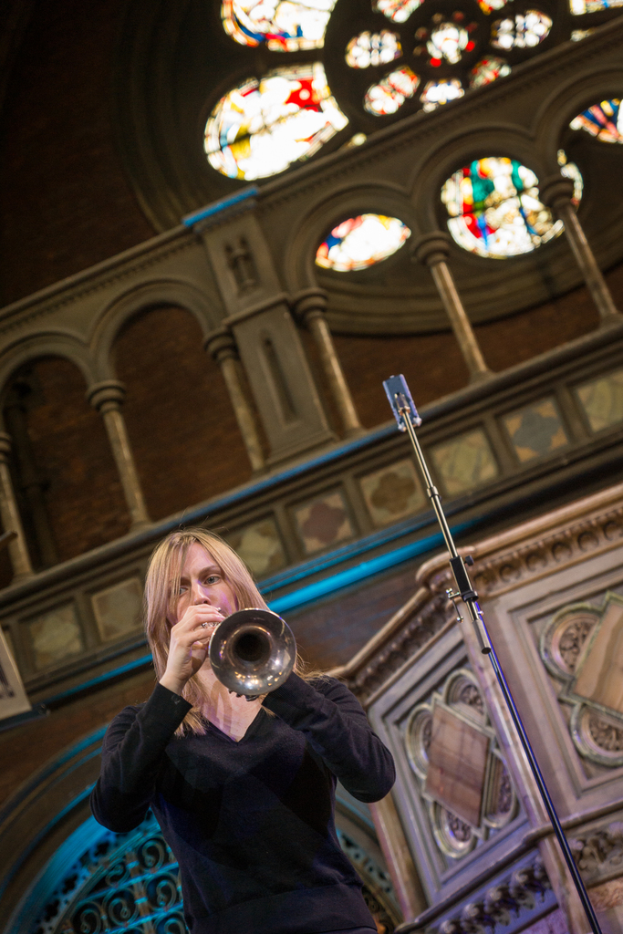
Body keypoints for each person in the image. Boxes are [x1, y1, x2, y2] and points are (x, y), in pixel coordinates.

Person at [91, 528, 396, 934]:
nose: (198, 596)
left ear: (238, 591)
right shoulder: (142, 725)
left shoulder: (318, 695)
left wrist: (275, 677)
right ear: (164, 615)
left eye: (211, 578)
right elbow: (114, 810)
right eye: (178, 589)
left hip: (333, 921)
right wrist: (171, 686)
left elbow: (374, 779)